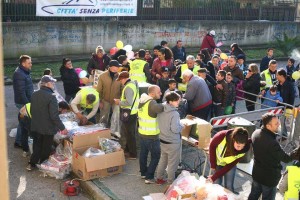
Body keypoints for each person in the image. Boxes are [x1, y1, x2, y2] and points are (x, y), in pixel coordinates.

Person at [248, 113, 300, 200]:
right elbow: (286, 158)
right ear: (268, 126)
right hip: (269, 179)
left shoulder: (256, 133)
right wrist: (298, 150)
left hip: (257, 175)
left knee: (253, 195)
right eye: (276, 123)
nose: (279, 124)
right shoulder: (272, 143)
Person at [28, 75, 67, 171]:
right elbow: (54, 116)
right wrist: (62, 128)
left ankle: (32, 164)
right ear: (46, 84)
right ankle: (43, 164)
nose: (53, 84)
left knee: (37, 145)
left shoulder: (34, 94)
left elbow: (33, 111)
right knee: (46, 147)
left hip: (36, 125)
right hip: (48, 127)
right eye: (52, 82)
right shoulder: (51, 97)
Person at [207, 127, 251, 193]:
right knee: (216, 185)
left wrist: (215, 176)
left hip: (230, 165)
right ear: (233, 140)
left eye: (243, 146)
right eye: (238, 146)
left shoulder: (244, 149)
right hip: (217, 163)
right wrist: (213, 165)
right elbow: (212, 146)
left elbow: (230, 166)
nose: (240, 149)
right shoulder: (221, 136)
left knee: (229, 186)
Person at [156, 92, 184, 184]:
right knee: (172, 164)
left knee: (163, 159)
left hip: (163, 139)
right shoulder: (175, 114)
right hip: (173, 142)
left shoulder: (161, 108)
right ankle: (170, 182)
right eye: (177, 101)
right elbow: (175, 129)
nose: (178, 103)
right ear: (171, 101)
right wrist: (182, 126)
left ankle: (159, 178)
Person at [138, 85, 163, 184]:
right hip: (152, 136)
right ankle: (149, 177)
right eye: (159, 92)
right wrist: (167, 103)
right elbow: (160, 109)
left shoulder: (142, 101)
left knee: (143, 154)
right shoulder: (152, 103)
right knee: (156, 156)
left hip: (142, 133)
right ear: (152, 93)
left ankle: (143, 173)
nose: (161, 93)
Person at [114, 71, 139, 160]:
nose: (120, 82)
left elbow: (129, 102)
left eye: (120, 80)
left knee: (130, 134)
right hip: (132, 112)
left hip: (129, 113)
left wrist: (118, 102)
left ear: (124, 79)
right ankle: (128, 151)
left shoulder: (128, 87)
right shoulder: (133, 85)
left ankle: (133, 154)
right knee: (129, 133)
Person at [13, 55, 34, 149]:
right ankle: (18, 142)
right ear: (23, 63)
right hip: (23, 102)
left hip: (25, 101)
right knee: (23, 122)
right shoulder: (19, 74)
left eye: (31, 62)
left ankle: (19, 140)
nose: (31, 64)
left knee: (23, 122)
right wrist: (27, 104)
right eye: (29, 63)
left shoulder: (24, 71)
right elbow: (21, 92)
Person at [96, 60, 122, 133]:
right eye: (116, 66)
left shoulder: (120, 76)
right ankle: (102, 131)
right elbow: (99, 90)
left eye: (118, 67)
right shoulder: (102, 76)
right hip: (105, 100)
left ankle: (115, 133)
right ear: (111, 67)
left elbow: (122, 89)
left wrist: (121, 100)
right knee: (103, 117)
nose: (118, 68)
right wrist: (100, 101)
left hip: (116, 101)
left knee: (116, 117)